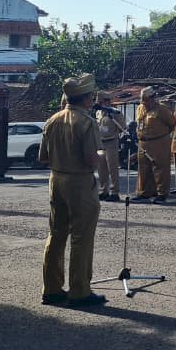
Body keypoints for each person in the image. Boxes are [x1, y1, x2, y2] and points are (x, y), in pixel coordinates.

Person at [40, 73, 106, 308]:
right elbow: (92, 159)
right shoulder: (86, 122)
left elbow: (43, 157)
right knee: (82, 236)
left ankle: (52, 289)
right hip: (80, 182)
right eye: (92, 96)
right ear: (86, 98)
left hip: (56, 180)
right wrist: (102, 154)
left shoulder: (52, 120)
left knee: (56, 235)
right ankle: (79, 291)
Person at [134, 87, 176, 203]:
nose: (144, 102)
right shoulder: (140, 109)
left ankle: (161, 193)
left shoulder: (162, 110)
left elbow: (172, 123)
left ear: (153, 99)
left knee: (160, 168)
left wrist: (162, 135)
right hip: (143, 142)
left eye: (146, 100)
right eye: (142, 100)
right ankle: (144, 193)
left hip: (159, 142)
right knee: (143, 168)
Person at [93, 92, 125, 202]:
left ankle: (114, 192)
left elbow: (122, 127)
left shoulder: (115, 113)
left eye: (101, 102)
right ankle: (103, 191)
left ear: (107, 101)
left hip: (112, 142)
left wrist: (113, 119)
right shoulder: (98, 113)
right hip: (101, 143)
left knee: (112, 168)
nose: (100, 104)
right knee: (101, 169)